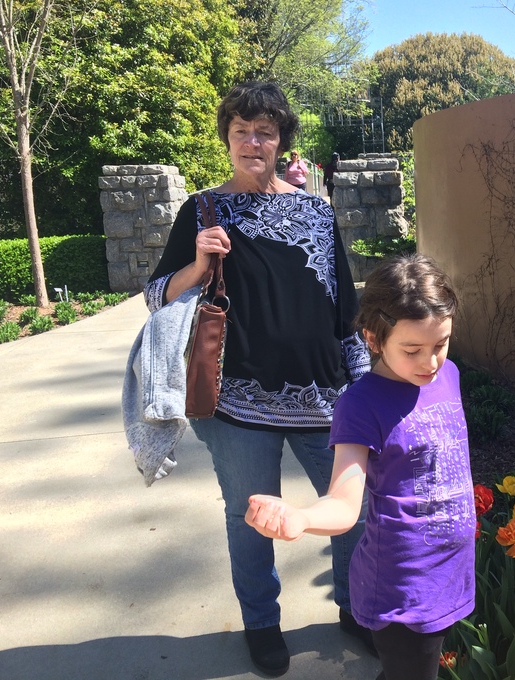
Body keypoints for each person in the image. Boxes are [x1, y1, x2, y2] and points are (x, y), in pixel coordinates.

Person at [143, 80, 372, 677]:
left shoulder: (317, 213)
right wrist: (197, 262)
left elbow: (342, 304)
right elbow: (155, 297)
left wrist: (365, 384)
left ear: (280, 141)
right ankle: (262, 625)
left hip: (328, 401)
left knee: (353, 508)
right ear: (227, 139)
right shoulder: (201, 210)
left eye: (264, 132)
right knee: (249, 517)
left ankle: (354, 608)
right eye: (241, 131)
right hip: (237, 405)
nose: (252, 141)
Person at [245, 254, 476, 680]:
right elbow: (344, 502)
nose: (430, 362)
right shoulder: (360, 404)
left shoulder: (450, 376)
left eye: (440, 344)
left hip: (451, 571)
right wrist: (302, 517)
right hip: (403, 583)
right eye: (412, 350)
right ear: (373, 338)